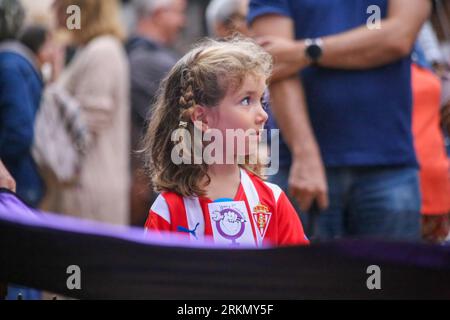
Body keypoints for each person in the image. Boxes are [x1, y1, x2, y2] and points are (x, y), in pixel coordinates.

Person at [248, 0, 431, 241]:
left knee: (388, 278)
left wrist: (309, 51)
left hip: (388, 164)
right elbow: (277, 62)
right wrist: (305, 154)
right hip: (301, 168)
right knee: (305, 278)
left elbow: (398, 37)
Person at [142, 38, 309, 247]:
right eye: (246, 100)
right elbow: (154, 278)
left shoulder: (272, 201)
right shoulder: (169, 209)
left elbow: (299, 275)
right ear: (202, 119)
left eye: (262, 101)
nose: (263, 115)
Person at [49, 0, 130, 225]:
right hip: (82, 185)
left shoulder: (102, 51)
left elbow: (86, 124)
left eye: (58, 5)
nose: (53, 11)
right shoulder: (91, 49)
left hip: (88, 189)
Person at [126, 0, 186, 226]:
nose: (183, 21)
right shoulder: (148, 61)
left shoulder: (140, 56)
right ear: (159, 13)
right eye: (179, 13)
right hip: (160, 182)